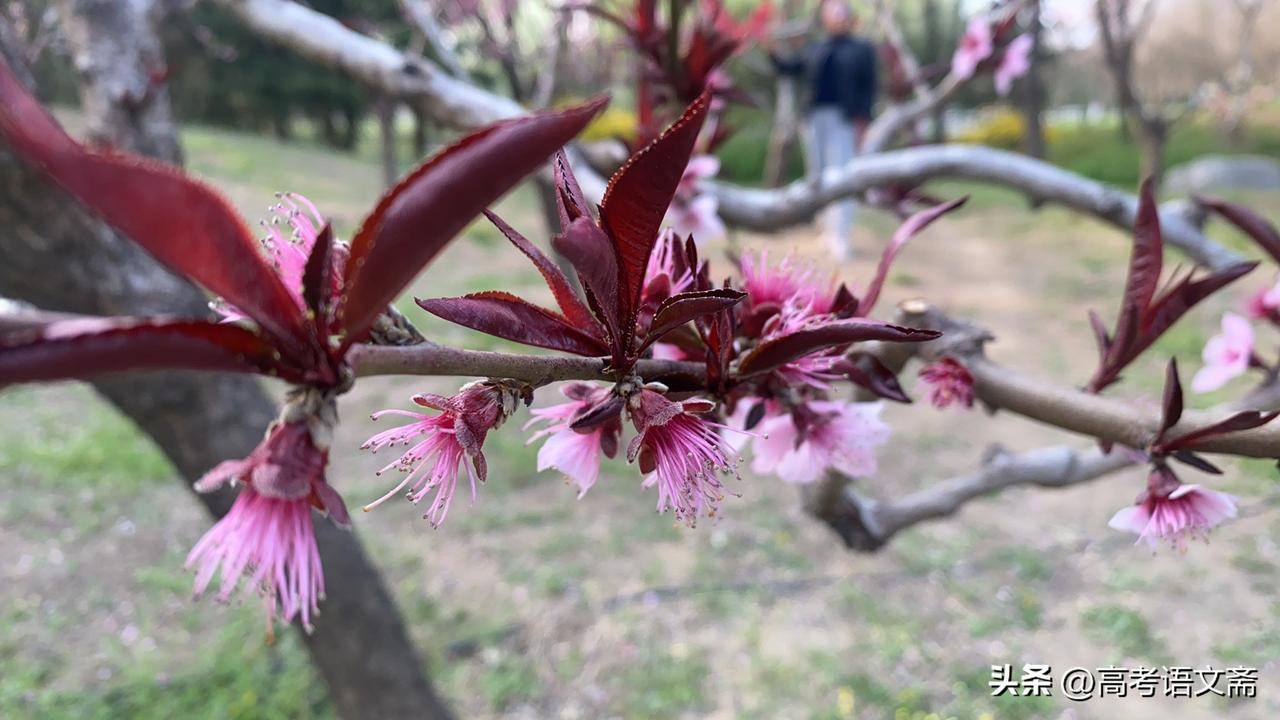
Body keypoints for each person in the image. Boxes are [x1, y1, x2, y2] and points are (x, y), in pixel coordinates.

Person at [767, 0, 877, 261]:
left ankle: (841, 236)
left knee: (841, 174)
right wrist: (772, 51)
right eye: (832, 12)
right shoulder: (817, 47)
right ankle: (828, 231)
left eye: (841, 12)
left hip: (844, 118)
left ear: (851, 19)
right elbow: (790, 69)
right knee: (819, 175)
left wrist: (863, 122)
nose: (836, 17)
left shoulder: (862, 49)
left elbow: (869, 87)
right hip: (814, 118)